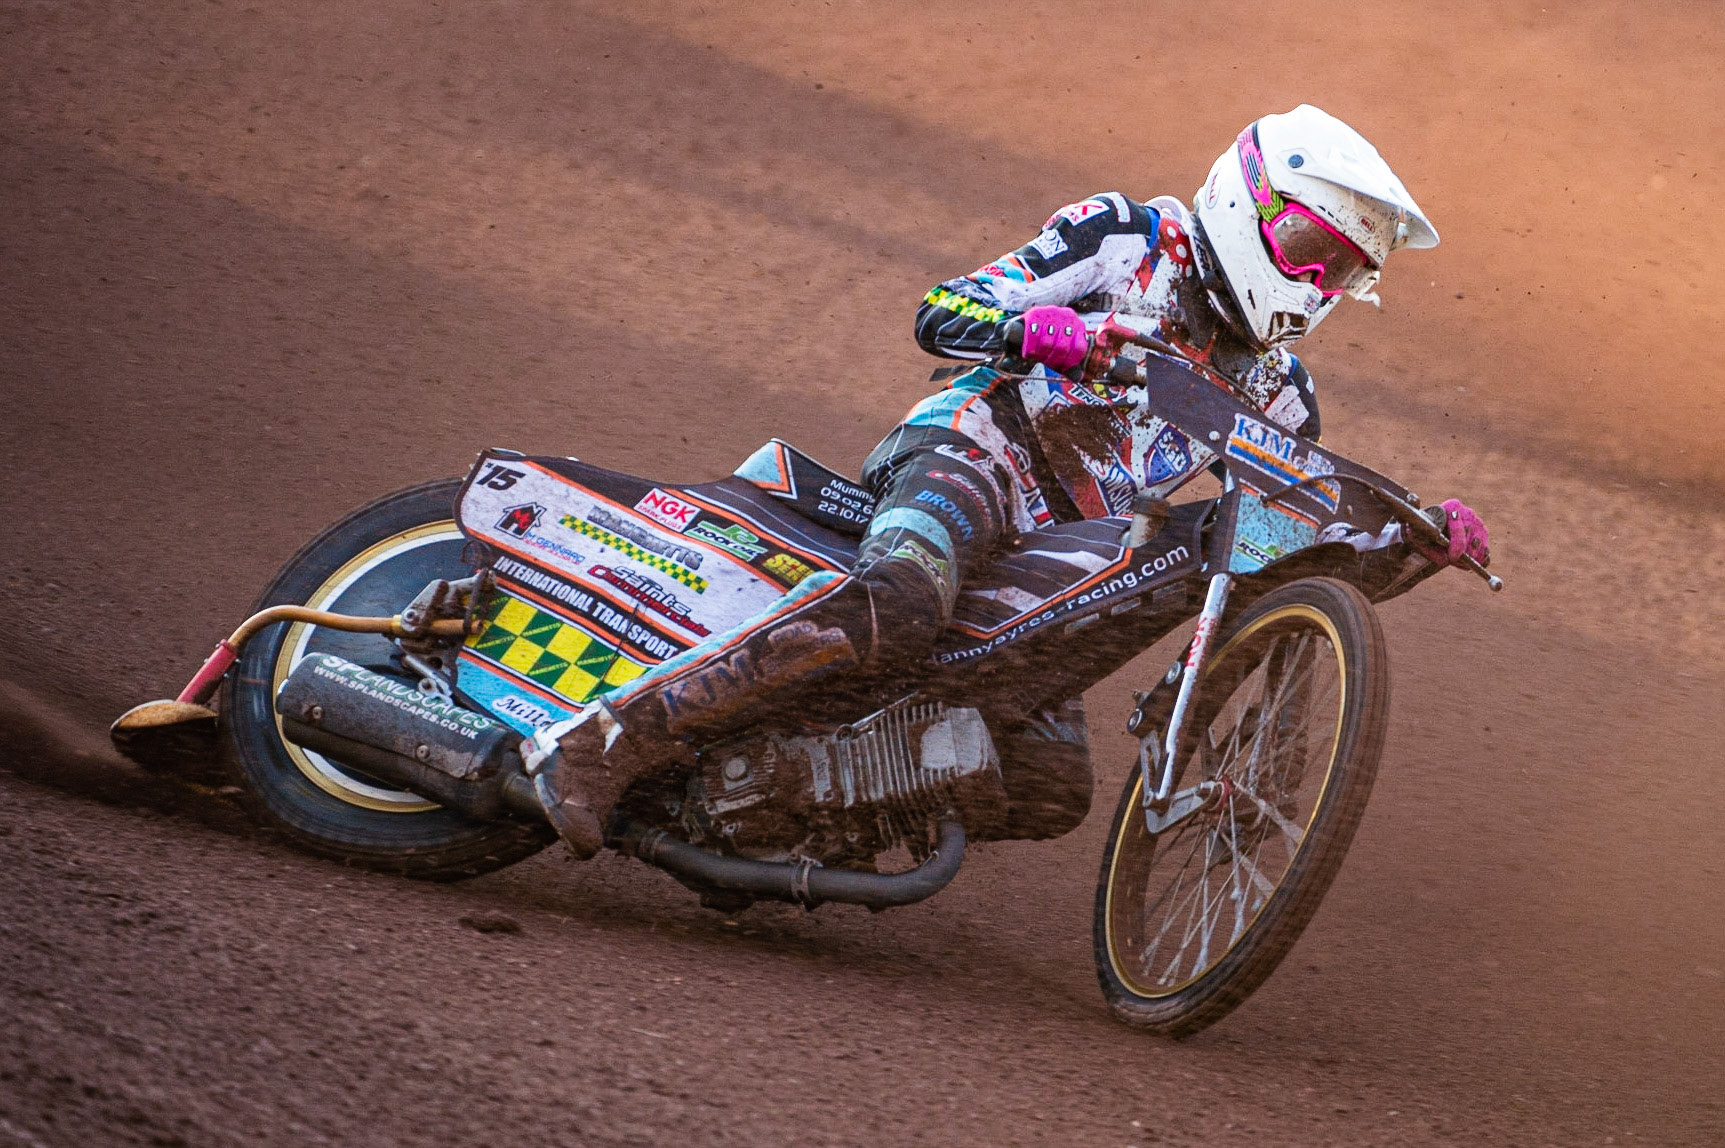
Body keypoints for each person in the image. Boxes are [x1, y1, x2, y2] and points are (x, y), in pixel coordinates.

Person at [523, 103, 1491, 858]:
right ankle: (603, 741)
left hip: (1067, 551)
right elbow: (942, 308)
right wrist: (1034, 330)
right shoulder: (1126, 237)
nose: (1318, 290)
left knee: (1049, 780)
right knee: (900, 601)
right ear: (1250, 201)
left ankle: (779, 802)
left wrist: (1408, 547)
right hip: (978, 451)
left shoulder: (1284, 396)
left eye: (1344, 276)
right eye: (1315, 254)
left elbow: (1271, 559)